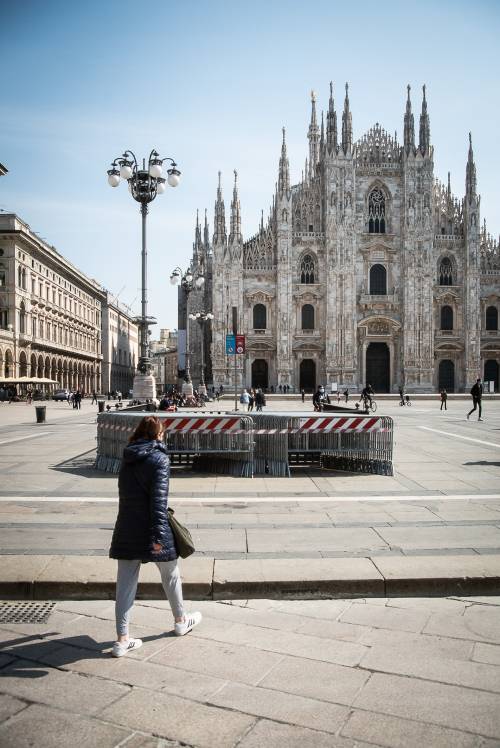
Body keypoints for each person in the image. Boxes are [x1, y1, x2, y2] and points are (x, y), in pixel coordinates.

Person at [109, 415, 201, 656]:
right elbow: (158, 503)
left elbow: (124, 496)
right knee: (171, 574)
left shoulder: (127, 456)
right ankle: (181, 620)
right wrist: (158, 538)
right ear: (158, 434)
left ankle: (122, 639)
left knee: (125, 584)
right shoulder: (160, 459)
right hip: (153, 526)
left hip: (128, 526)